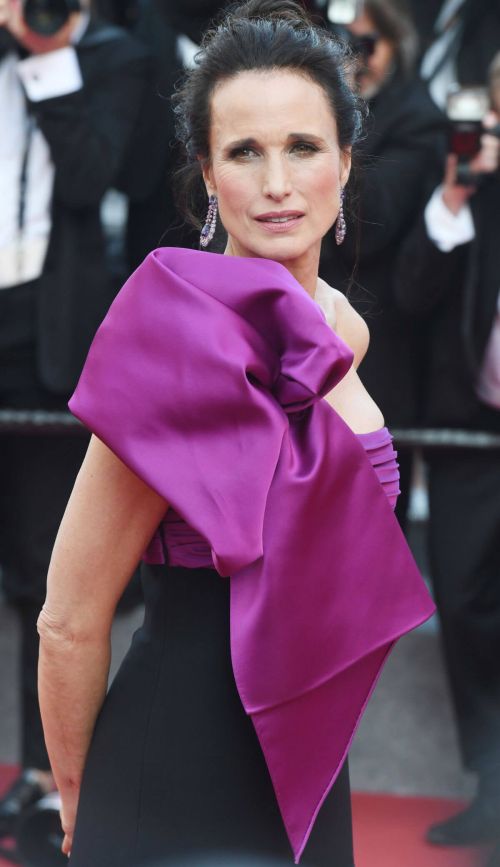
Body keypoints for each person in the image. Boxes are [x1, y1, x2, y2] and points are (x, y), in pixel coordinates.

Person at [36, 1, 435, 865]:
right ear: (208, 176)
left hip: (311, 782)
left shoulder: (346, 332)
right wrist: (79, 800)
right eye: (244, 152)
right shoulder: (170, 342)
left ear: (345, 164)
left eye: (303, 147)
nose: (277, 182)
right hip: (164, 787)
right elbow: (68, 620)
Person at [0, 0, 152, 838]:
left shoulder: (115, 56)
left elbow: (93, 173)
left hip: (46, 341)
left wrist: (46, 52)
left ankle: (51, 779)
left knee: (42, 572)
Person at [394, 54, 500, 866]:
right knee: (463, 602)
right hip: (472, 427)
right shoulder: (469, 175)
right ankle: (492, 785)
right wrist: (459, 190)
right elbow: (414, 292)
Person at [320, 0, 446, 529]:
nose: (357, 59)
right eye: (342, 44)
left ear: (398, 43)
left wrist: (337, 126)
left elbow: (371, 226)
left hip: (377, 348)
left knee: (362, 528)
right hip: (297, 328)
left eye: (369, 43)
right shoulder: (307, 109)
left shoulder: (418, 119)